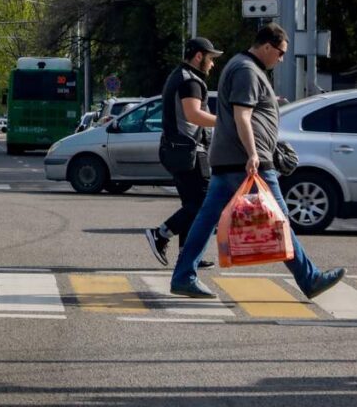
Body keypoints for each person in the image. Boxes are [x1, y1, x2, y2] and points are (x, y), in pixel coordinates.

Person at [170, 23, 346, 299]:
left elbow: (247, 109)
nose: (281, 58)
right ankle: (309, 279)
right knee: (279, 218)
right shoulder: (246, 70)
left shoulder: (245, 68)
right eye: (280, 52)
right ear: (266, 46)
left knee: (206, 218)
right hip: (247, 162)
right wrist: (253, 153)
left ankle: (183, 276)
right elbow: (242, 115)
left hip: (230, 159)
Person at [145, 37, 221, 269]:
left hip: (178, 149)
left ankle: (187, 256)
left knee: (193, 203)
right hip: (188, 151)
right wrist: (226, 122)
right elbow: (193, 115)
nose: (212, 64)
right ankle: (161, 233)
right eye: (210, 58)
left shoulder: (180, 76)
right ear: (199, 56)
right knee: (205, 203)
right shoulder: (191, 82)